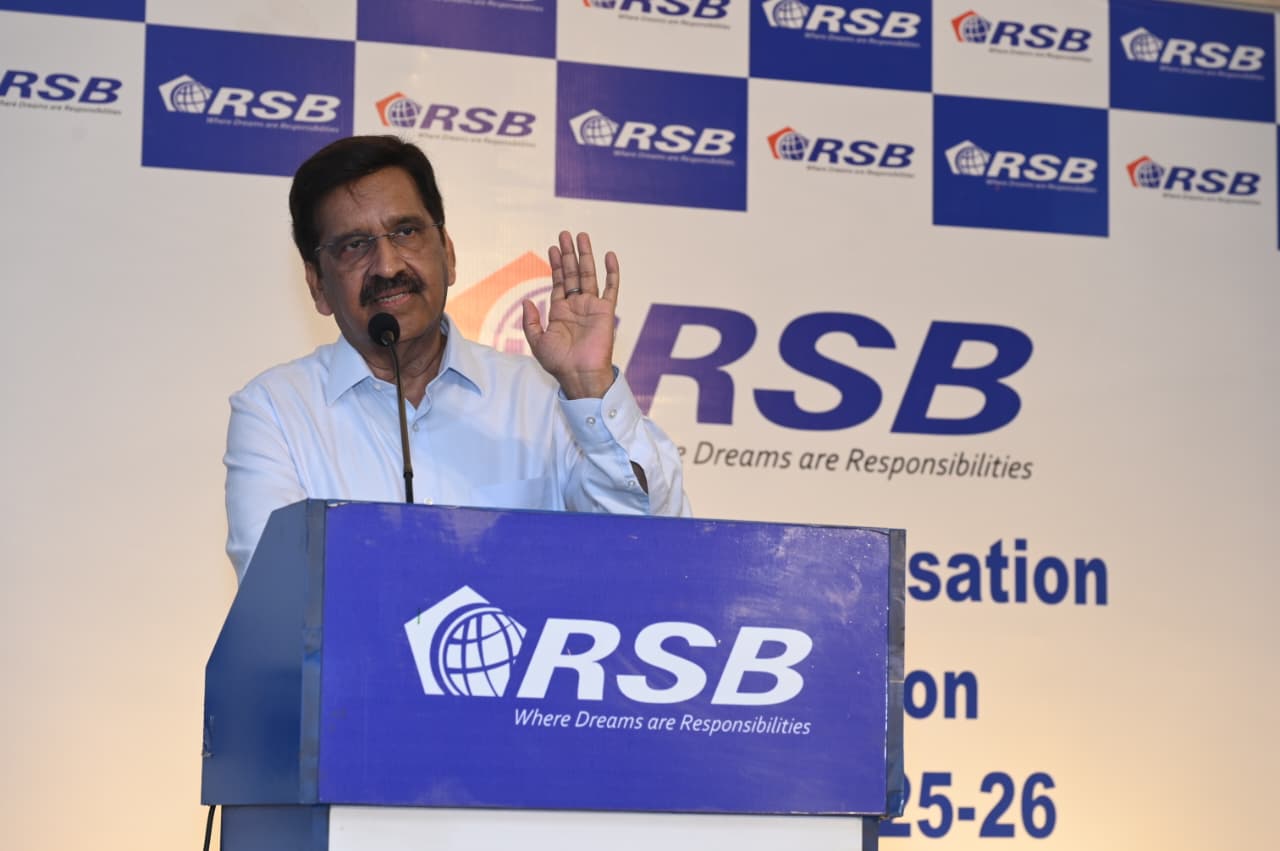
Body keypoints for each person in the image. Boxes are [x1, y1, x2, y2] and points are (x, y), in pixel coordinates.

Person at [224, 135, 690, 579]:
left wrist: (589, 388)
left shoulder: (544, 399)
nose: (387, 265)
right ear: (318, 285)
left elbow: (656, 548)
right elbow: (279, 590)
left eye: (406, 231)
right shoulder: (275, 411)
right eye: (354, 245)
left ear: (448, 253)